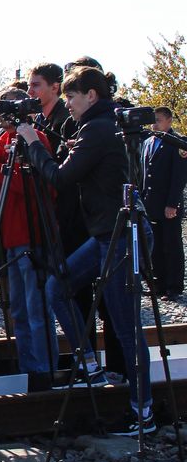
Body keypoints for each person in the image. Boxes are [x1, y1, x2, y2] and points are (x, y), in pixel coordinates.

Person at [19, 66, 153, 435]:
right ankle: (91, 366)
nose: (70, 106)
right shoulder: (97, 127)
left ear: (90, 96)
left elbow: (60, 177)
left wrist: (32, 142)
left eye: (72, 98)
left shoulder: (98, 128)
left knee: (127, 327)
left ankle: (143, 412)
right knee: (57, 288)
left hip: (120, 235)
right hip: (106, 234)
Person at [0, 89, 58, 377]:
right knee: (18, 311)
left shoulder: (34, 139)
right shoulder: (1, 141)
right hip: (10, 237)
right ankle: (29, 368)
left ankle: (44, 371)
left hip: (30, 235)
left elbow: (31, 186)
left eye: (2, 110)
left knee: (36, 311)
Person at [142, 106, 187, 298]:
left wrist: (173, 204)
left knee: (171, 245)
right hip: (151, 203)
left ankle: (174, 286)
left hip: (167, 203)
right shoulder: (148, 141)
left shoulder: (177, 142)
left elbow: (179, 176)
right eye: (153, 120)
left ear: (169, 120)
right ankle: (158, 285)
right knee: (155, 247)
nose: (154, 124)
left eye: (158, 120)